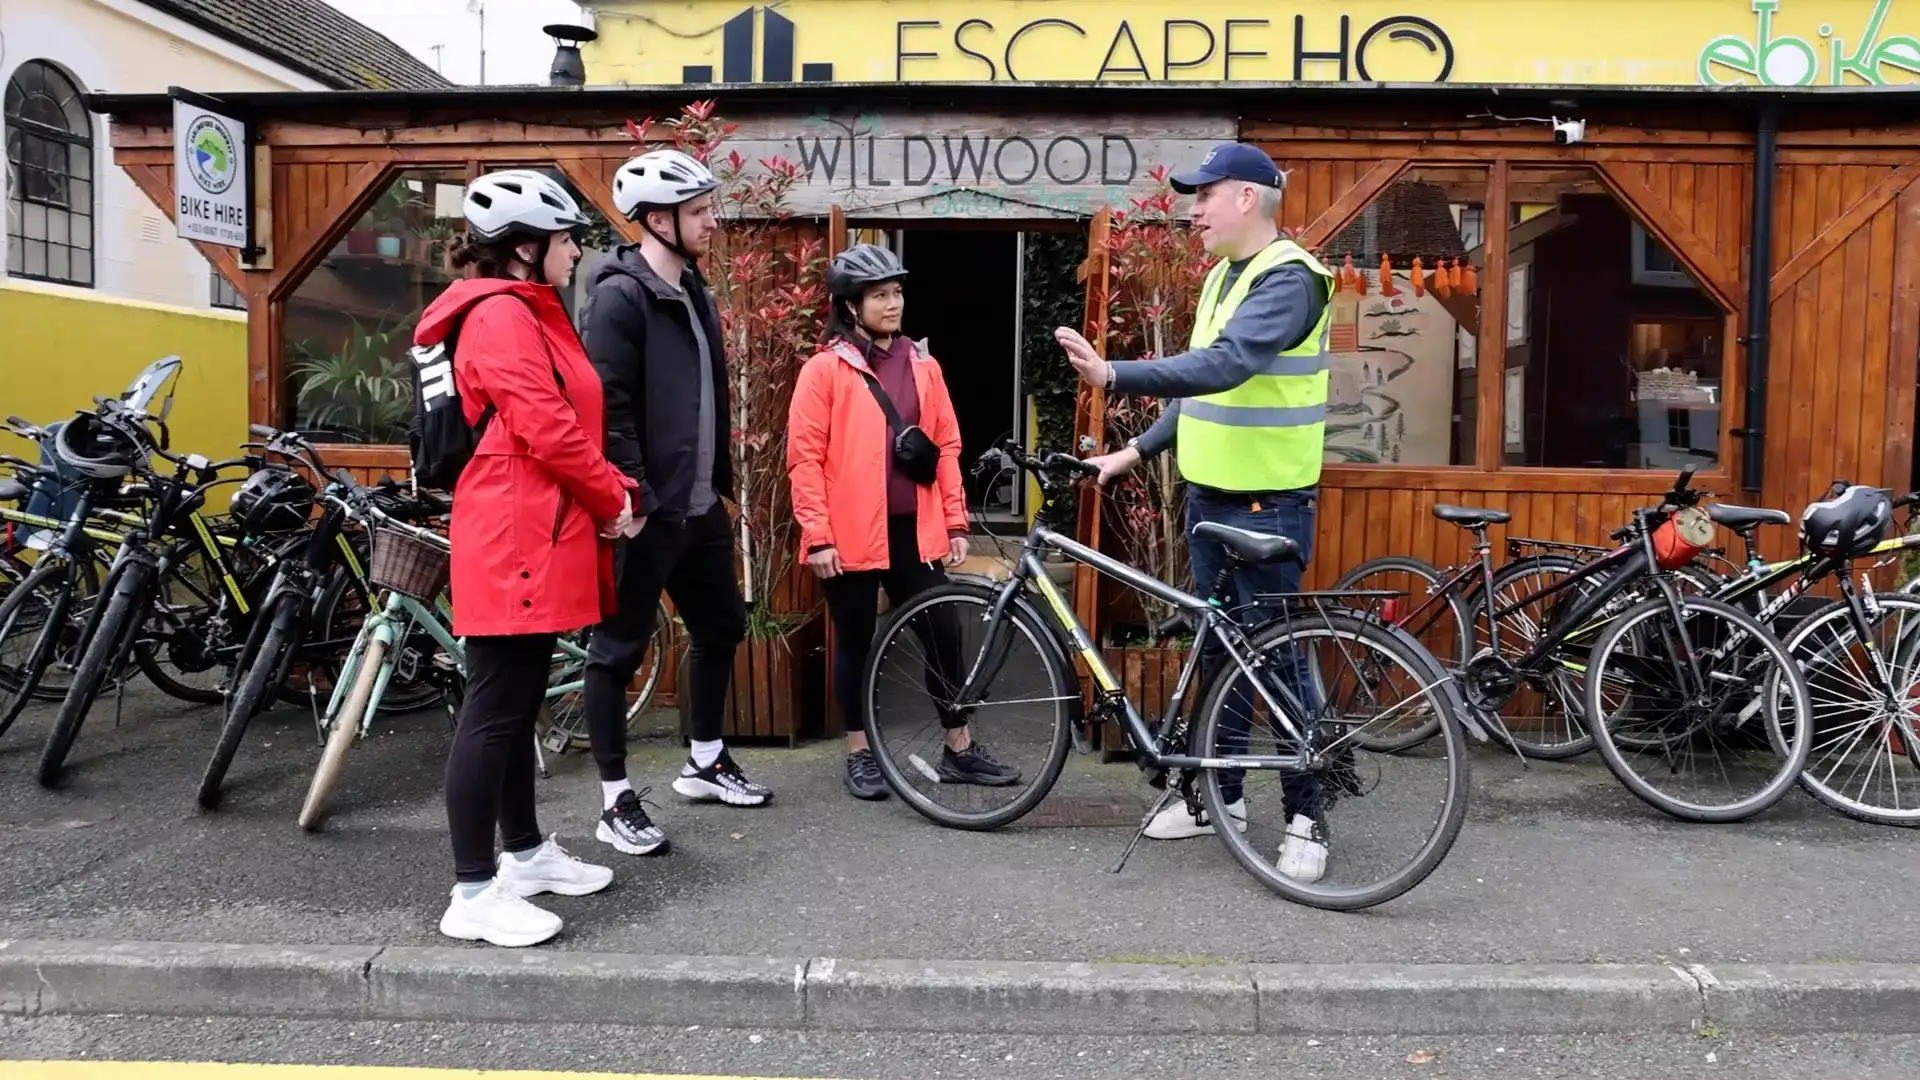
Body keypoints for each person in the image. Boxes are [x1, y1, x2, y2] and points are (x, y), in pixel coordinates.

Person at [1056, 142, 1336, 883]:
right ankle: (1223, 799)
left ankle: (1309, 816)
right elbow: (1202, 390)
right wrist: (1135, 452)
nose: (1193, 209)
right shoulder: (1222, 277)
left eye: (1204, 195)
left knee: (1275, 657)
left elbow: (1228, 363)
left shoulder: (1291, 281)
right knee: (1220, 655)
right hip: (1211, 498)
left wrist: (1115, 373)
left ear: (1246, 198)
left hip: (1268, 504)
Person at [419, 169, 640, 947]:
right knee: (495, 708)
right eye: (566, 238)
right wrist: (613, 498)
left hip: (529, 531)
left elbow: (560, 427)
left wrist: (611, 487)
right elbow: (546, 427)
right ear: (523, 249)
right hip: (515, 535)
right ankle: (473, 892)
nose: (575, 250)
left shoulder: (525, 311)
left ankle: (524, 854)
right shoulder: (502, 319)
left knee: (516, 705)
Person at [580, 147, 767, 859]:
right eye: (697, 212)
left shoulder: (693, 290)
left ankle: (704, 759)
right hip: (647, 509)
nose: (711, 222)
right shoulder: (619, 294)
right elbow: (610, 403)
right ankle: (612, 800)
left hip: (697, 505)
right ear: (656, 220)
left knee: (721, 626)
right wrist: (632, 492)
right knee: (616, 650)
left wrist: (715, 485)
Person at [786, 243, 1021, 799]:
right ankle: (860, 753)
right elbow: (805, 457)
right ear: (849, 306)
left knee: (944, 631)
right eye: (879, 296)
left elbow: (945, 445)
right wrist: (817, 535)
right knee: (856, 641)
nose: (892, 304)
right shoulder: (824, 370)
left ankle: (959, 746)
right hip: (847, 535)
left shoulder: (923, 364)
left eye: (896, 293)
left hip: (913, 529)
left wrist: (956, 521)